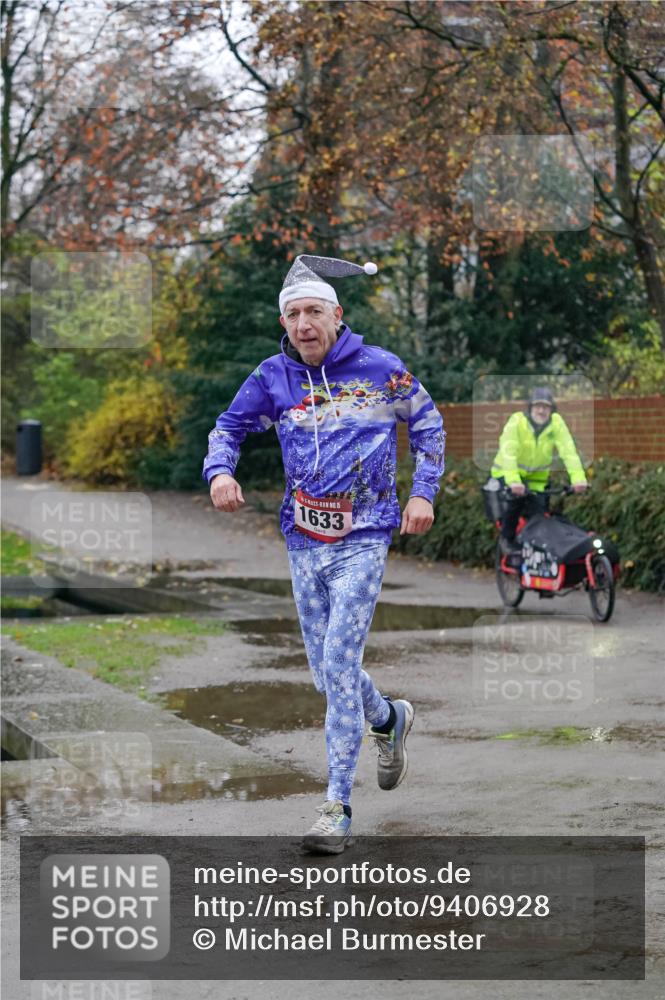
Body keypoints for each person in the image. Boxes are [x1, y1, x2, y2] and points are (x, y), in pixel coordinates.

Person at [203, 254, 445, 853]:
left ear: (337, 315)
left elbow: (430, 427)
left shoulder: (380, 369)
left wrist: (423, 494)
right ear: (284, 324)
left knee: (338, 664)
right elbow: (227, 428)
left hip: (364, 535)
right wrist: (219, 473)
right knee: (325, 672)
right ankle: (388, 718)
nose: (304, 322)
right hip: (302, 539)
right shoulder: (273, 377)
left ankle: (335, 806)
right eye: (293, 314)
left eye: (314, 311)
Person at [490, 387, 588, 554]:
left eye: (546, 407)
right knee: (515, 503)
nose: (541, 410)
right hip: (507, 474)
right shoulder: (517, 422)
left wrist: (578, 478)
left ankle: (537, 551)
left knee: (541, 516)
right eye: (537, 406)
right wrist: (514, 481)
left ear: (551, 409)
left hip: (537, 480)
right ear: (530, 408)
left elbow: (569, 452)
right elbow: (509, 453)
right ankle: (507, 540)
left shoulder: (556, 423)